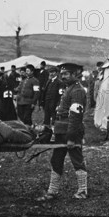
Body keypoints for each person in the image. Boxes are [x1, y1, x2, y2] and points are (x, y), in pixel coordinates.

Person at [38, 63, 88, 201]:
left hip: (71, 131)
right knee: (56, 159)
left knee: (76, 160)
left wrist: (71, 137)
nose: (63, 76)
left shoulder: (77, 91)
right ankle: (52, 191)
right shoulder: (68, 88)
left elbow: (76, 116)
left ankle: (82, 191)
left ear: (74, 75)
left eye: (66, 74)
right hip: (61, 130)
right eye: (62, 74)